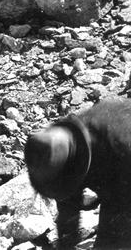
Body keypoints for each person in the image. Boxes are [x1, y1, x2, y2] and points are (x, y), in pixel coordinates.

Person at [24, 98, 131, 249]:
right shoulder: (67, 146)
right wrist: (66, 244)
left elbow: (116, 222)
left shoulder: (119, 147)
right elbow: (68, 211)